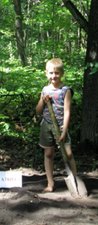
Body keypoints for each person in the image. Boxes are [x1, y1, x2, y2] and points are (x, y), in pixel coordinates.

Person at [36, 58, 77, 193]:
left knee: (68, 153)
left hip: (60, 125)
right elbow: (38, 111)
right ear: (46, 74)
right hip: (47, 124)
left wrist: (64, 130)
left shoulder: (66, 90)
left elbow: (67, 111)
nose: (54, 76)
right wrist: (43, 99)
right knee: (48, 153)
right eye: (51, 73)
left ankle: (75, 181)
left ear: (62, 73)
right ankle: (50, 183)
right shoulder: (45, 89)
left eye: (57, 73)